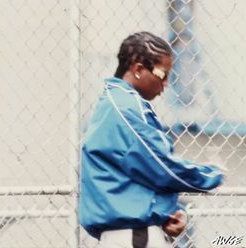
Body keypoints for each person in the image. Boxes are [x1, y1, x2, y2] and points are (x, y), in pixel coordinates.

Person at [79, 31, 224, 247]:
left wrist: (168, 212)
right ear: (138, 69)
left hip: (125, 234)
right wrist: (211, 175)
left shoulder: (113, 103)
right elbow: (159, 165)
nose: (165, 84)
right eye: (162, 75)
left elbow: (138, 171)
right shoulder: (126, 107)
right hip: (133, 236)